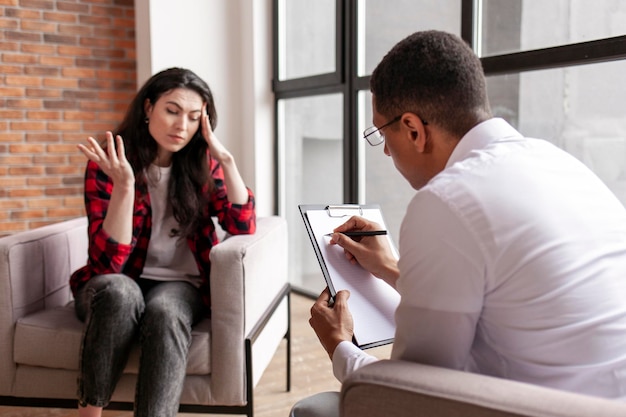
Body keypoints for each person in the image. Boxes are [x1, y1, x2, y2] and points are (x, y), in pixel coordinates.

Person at [290, 30, 626, 416]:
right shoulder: (561, 163)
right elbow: (506, 296)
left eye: (382, 133)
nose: (384, 149)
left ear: (414, 130)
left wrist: (339, 344)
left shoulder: (447, 199)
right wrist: (391, 269)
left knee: (312, 410)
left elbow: (409, 397)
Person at [70, 67, 256, 417]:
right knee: (120, 293)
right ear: (148, 108)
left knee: (166, 312)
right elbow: (108, 266)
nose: (181, 126)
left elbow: (242, 223)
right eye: (172, 110)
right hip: (114, 285)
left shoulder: (202, 165)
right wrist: (125, 186)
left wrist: (226, 160)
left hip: (179, 285)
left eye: (193, 117)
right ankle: (88, 413)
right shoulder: (110, 163)